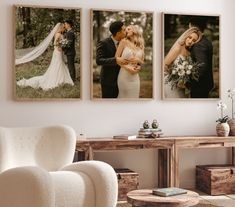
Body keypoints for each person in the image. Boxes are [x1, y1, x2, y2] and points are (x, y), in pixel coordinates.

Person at [17, 23, 74, 90]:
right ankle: (57, 79)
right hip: (57, 52)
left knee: (60, 64)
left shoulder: (61, 34)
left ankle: (62, 78)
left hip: (59, 52)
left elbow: (60, 43)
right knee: (57, 64)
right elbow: (55, 43)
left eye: (64, 27)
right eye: (63, 27)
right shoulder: (58, 34)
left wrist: (62, 46)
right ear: (60, 28)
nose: (64, 29)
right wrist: (59, 47)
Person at [164, 27, 202, 98]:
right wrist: (173, 77)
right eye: (189, 37)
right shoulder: (177, 48)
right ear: (186, 36)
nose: (190, 41)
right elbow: (164, 66)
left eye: (194, 40)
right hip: (170, 84)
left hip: (181, 86)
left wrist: (184, 80)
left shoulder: (189, 52)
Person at [96, 21, 128, 98]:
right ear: (118, 33)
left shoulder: (125, 43)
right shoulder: (103, 43)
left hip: (122, 79)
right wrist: (115, 60)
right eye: (124, 30)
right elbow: (99, 60)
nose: (126, 31)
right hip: (108, 81)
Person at [115, 25, 144, 98]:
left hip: (135, 77)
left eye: (128, 29)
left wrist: (139, 62)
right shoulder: (123, 42)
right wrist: (128, 68)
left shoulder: (141, 45)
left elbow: (142, 62)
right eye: (125, 30)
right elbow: (116, 59)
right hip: (124, 76)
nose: (126, 31)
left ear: (134, 30)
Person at [189, 17, 214, 98]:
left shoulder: (198, 44)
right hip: (205, 85)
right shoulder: (206, 41)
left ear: (192, 26)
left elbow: (201, 68)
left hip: (199, 87)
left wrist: (188, 81)